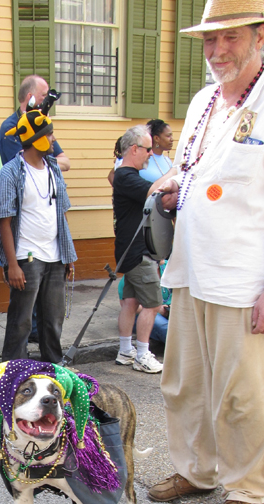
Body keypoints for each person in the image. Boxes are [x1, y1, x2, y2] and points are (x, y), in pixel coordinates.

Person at [148, 1, 264, 504]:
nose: (216, 52)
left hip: (246, 280)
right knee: (184, 384)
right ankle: (196, 470)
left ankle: (248, 488)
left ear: (260, 35)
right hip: (190, 270)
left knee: (242, 395)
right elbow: (195, 171)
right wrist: (171, 190)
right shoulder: (204, 100)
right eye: (209, 41)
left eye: (228, 37)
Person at [0, 107, 76, 364]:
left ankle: (53, 370)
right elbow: (4, 222)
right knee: (21, 321)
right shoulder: (9, 173)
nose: (54, 140)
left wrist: (68, 254)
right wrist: (12, 265)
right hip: (27, 257)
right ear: (37, 138)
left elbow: (61, 212)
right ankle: (12, 371)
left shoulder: (53, 168)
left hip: (55, 256)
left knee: (53, 320)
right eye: (50, 135)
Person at [113, 125, 176, 373]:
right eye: (148, 149)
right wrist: (175, 170)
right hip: (139, 252)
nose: (151, 154)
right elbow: (153, 192)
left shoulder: (126, 175)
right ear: (135, 149)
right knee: (151, 304)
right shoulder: (126, 176)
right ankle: (142, 354)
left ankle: (125, 351)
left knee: (130, 301)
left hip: (132, 250)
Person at [0, 75, 70, 172]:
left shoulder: (41, 124)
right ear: (30, 97)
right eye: (44, 95)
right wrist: (51, 164)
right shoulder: (11, 127)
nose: (47, 100)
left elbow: (66, 163)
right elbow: (26, 166)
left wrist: (42, 163)